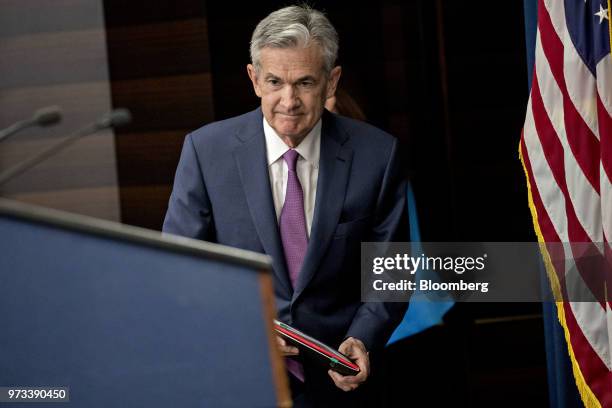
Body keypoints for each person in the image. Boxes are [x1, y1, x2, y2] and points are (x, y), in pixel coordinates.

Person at [163, 5, 408, 406]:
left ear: (332, 82)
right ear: (254, 78)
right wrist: (245, 331)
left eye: (305, 83)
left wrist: (362, 337)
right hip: (238, 380)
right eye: (274, 82)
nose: (288, 100)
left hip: (339, 385)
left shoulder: (377, 155)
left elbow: (391, 273)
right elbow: (180, 271)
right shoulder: (206, 152)